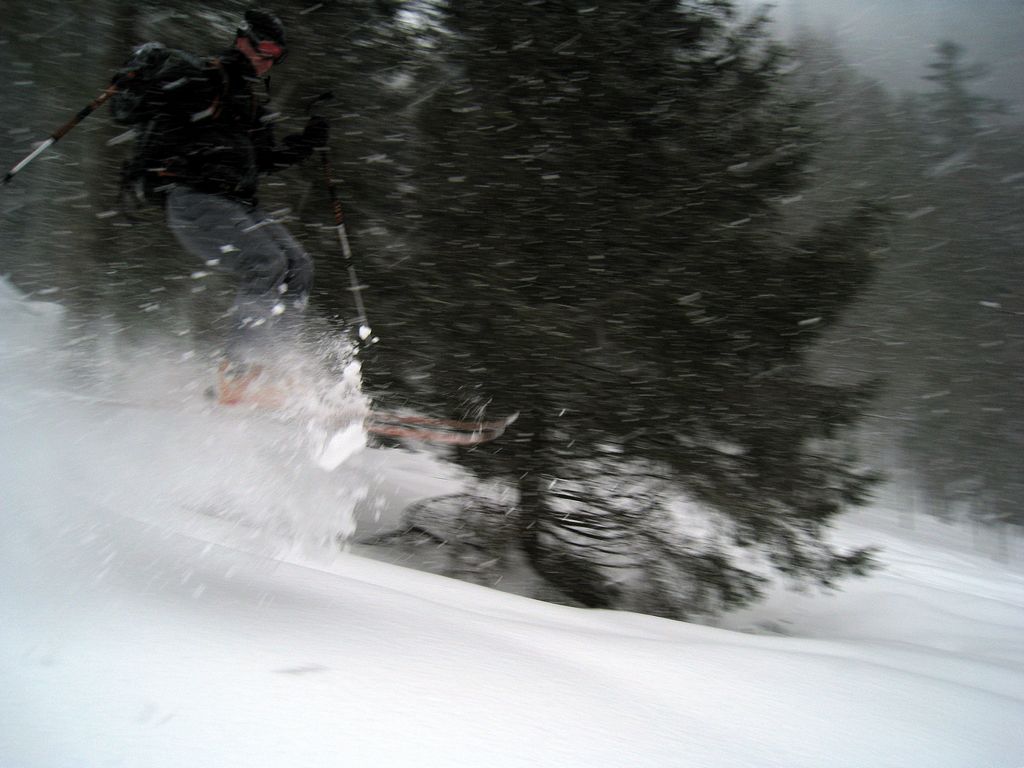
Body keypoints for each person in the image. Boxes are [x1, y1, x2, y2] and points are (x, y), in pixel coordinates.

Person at [110, 8, 328, 403]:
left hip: (237, 202)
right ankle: (239, 370)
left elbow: (264, 158)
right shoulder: (205, 77)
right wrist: (141, 73)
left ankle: (274, 370)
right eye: (263, 49)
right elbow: (139, 106)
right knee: (266, 263)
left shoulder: (250, 102)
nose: (267, 60)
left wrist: (307, 141)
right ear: (241, 40)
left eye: (276, 55)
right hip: (194, 198)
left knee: (299, 266)